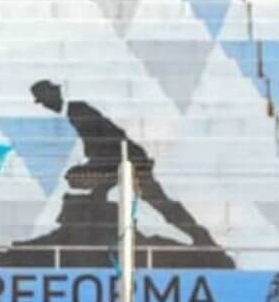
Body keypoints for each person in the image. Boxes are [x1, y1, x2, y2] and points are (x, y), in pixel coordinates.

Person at [27, 79, 216, 248]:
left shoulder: (78, 110)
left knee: (158, 202)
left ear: (53, 94)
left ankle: (201, 236)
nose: (45, 106)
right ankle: (201, 236)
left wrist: (90, 169)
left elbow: (104, 141)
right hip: (115, 162)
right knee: (156, 201)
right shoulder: (75, 111)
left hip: (126, 161)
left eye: (44, 101)